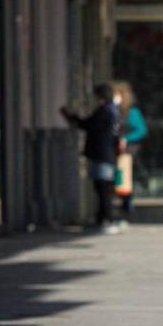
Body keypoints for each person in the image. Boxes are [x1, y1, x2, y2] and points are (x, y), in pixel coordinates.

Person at [62, 84, 121, 234]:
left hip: (102, 154)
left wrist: (72, 117)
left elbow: (89, 125)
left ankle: (105, 219)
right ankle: (103, 218)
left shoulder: (104, 111)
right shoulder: (112, 111)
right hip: (107, 154)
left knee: (103, 188)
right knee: (103, 187)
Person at [113, 80, 148, 227]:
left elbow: (142, 130)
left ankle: (127, 208)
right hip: (116, 151)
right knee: (119, 180)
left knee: (124, 180)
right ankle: (124, 207)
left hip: (128, 152)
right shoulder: (115, 111)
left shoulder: (132, 112)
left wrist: (126, 139)